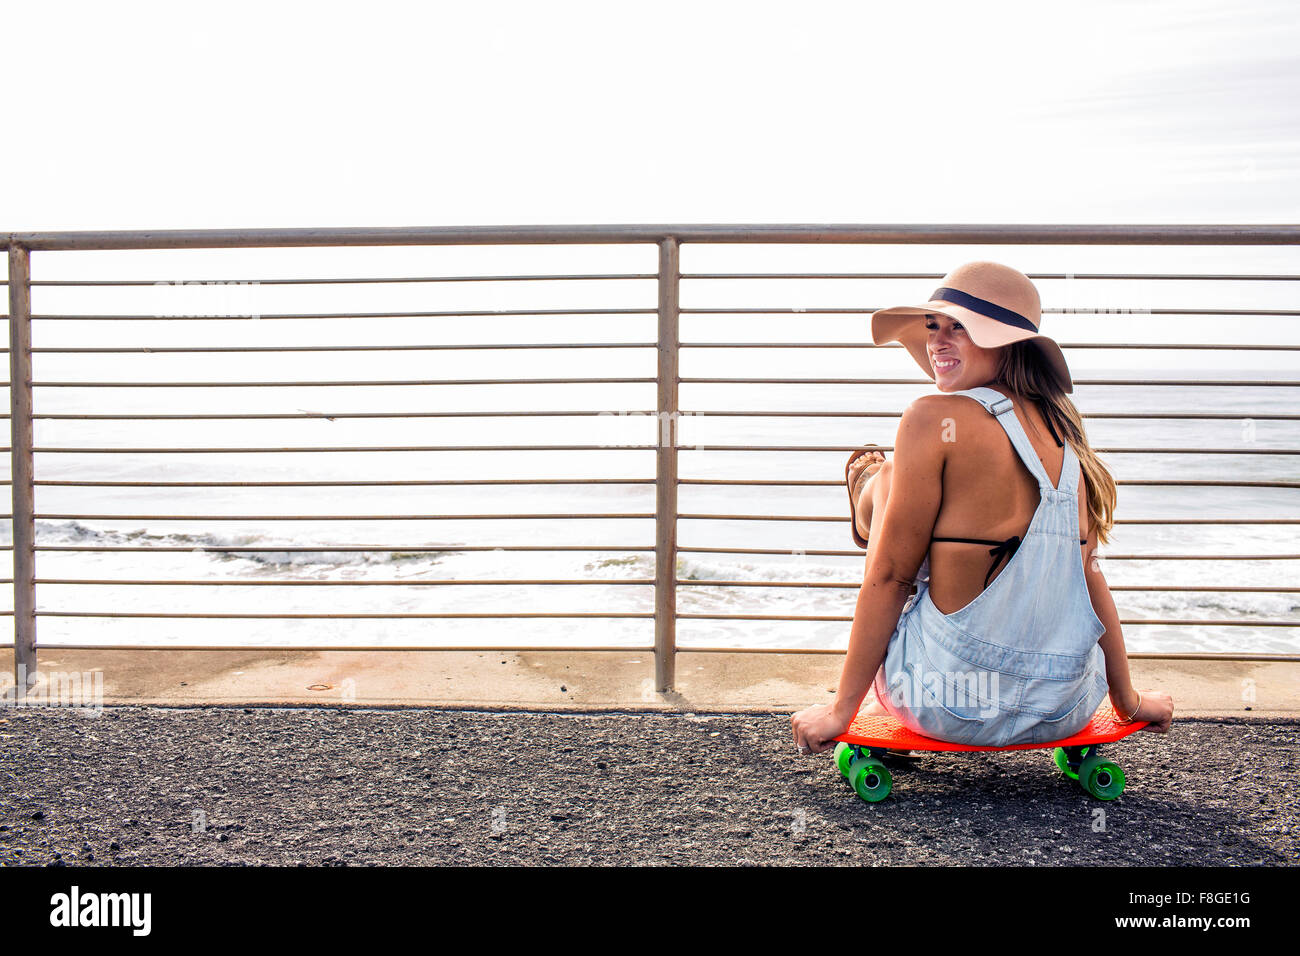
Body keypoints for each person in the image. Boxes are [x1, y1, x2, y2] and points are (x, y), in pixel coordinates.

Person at [791, 261, 1174, 755]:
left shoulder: (930, 417)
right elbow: (1089, 577)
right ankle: (878, 488)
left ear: (1005, 343)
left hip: (946, 706)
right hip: (1063, 706)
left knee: (894, 505)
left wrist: (840, 710)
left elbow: (889, 577)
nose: (937, 343)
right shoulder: (1069, 440)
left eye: (960, 329)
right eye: (933, 326)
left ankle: (871, 490)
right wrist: (1127, 700)